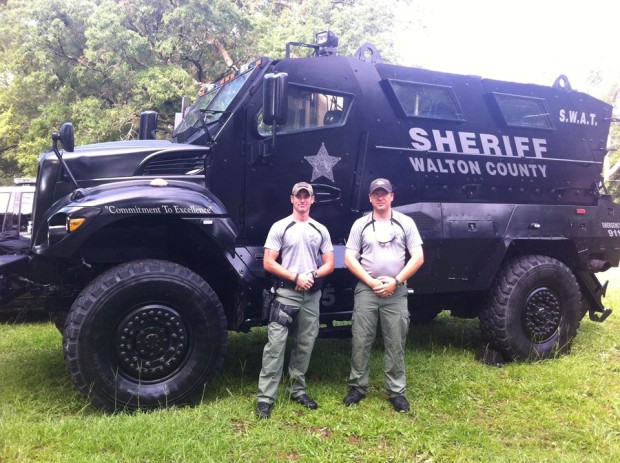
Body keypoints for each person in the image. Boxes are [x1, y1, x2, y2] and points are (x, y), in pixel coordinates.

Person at [342, 178, 424, 413]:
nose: (380, 197)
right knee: (361, 339)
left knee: (396, 341)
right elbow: (349, 258)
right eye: (376, 193)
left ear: (391, 196)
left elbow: (417, 256)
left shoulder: (405, 223)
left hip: (396, 291)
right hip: (367, 289)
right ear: (370, 198)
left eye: (384, 193)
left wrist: (396, 281)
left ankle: (396, 392)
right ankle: (357, 387)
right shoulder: (361, 224)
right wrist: (371, 281)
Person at [256, 182, 335, 419]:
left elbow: (329, 263)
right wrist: (295, 277)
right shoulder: (281, 227)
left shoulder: (320, 229)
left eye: (306, 196)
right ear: (292, 199)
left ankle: (297, 390)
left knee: (305, 343)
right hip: (286, 293)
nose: (302, 200)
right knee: (275, 346)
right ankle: (265, 398)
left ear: (312, 200)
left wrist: (311, 275)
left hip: (311, 295)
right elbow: (269, 262)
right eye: (298, 196)